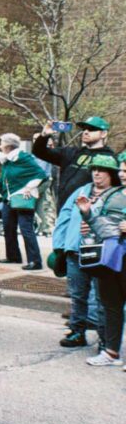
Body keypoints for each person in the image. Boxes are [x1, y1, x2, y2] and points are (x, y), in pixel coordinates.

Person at [52, 154, 121, 349]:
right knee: (77, 295)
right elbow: (64, 217)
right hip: (76, 251)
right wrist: (60, 247)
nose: (96, 173)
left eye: (101, 169)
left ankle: (105, 340)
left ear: (111, 174)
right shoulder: (81, 191)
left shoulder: (118, 195)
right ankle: (77, 332)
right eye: (94, 169)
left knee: (103, 300)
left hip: (103, 256)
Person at [76, 153, 126, 368]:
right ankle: (111, 352)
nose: (122, 174)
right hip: (110, 257)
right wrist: (89, 215)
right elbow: (106, 230)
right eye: (122, 169)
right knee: (111, 305)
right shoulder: (112, 193)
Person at [0, 133, 48, 270]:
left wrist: (29, 187)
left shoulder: (23, 157)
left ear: (8, 146)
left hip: (22, 198)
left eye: (1, 143)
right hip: (9, 199)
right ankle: (13, 256)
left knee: (26, 229)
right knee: (8, 227)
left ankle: (35, 261)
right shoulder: (7, 160)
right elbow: (3, 179)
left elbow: (40, 174)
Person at [32, 116, 115, 210]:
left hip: (89, 213)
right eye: (84, 129)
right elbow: (39, 152)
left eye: (92, 129)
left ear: (103, 134)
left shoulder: (109, 159)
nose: (86, 132)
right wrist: (44, 135)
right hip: (64, 210)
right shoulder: (71, 152)